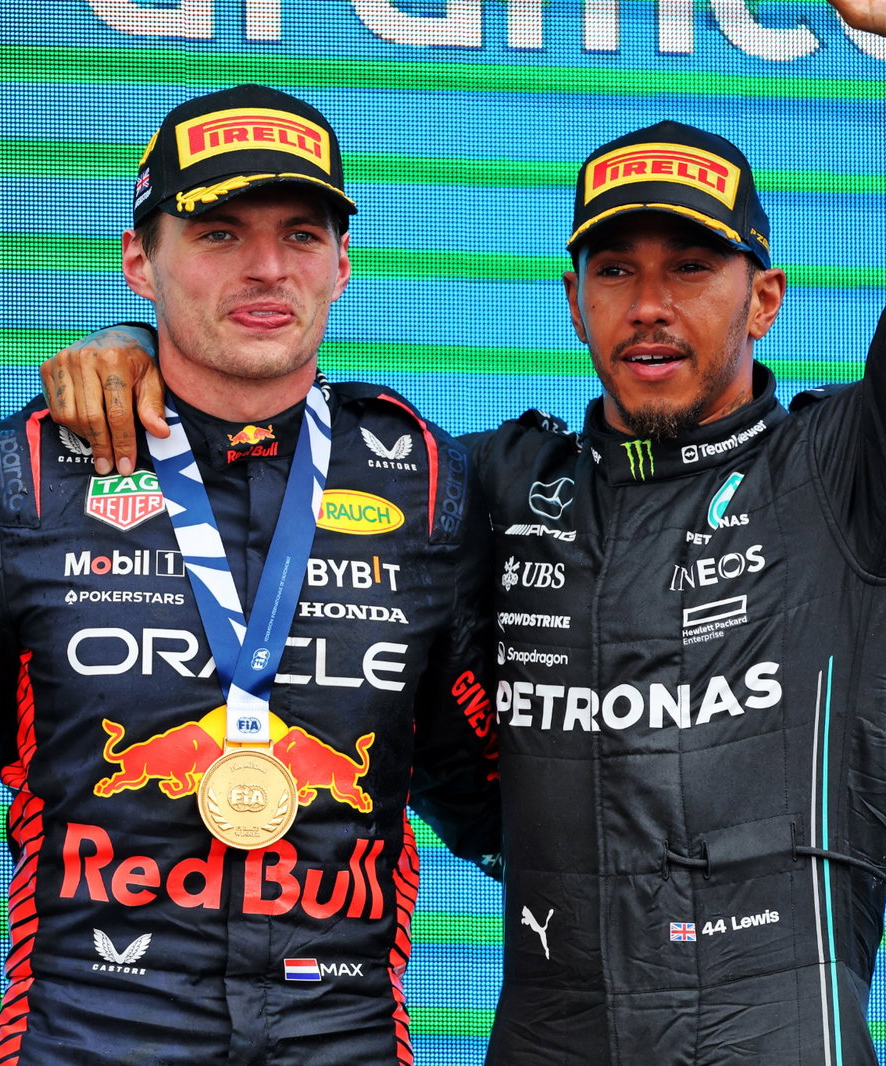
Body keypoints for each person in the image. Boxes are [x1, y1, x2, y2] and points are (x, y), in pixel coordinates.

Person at [49, 9, 886, 1057]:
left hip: (776, 1031)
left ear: (763, 298)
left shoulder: (843, 466)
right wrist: (136, 347)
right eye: (615, 270)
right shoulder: (484, 480)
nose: (650, 306)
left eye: (691, 268)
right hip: (549, 1031)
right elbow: (277, 420)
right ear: (571, 301)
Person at [0, 84, 501, 1065]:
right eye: (217, 233)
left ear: (343, 264)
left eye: (301, 235)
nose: (266, 268)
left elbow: (501, 798)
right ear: (140, 260)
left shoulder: (427, 482)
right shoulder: (24, 477)